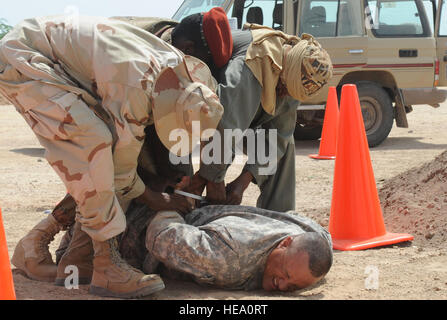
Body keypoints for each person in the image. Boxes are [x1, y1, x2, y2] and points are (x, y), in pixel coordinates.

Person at [0, 15, 223, 298]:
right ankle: (105, 264)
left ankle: (76, 257)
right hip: (25, 59)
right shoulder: (137, 90)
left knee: (100, 158)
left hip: (55, 60)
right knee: (92, 145)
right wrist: (157, 198)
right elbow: (122, 173)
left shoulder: (179, 78)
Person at [171, 8, 333, 212]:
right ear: (282, 71)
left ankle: (277, 217)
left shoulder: (296, 70)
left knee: (284, 147)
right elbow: (225, 125)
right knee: (197, 165)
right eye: (282, 89)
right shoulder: (251, 65)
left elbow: (278, 137)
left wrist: (243, 181)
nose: (283, 94)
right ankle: (181, 205)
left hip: (228, 116)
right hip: (202, 107)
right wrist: (211, 179)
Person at [118, 202, 333, 291]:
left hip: (210, 216)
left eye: (295, 286)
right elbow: (160, 237)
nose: (283, 286)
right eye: (285, 273)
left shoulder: (314, 235)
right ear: (285, 243)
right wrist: (171, 205)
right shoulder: (229, 261)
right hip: (138, 225)